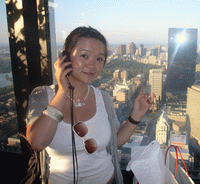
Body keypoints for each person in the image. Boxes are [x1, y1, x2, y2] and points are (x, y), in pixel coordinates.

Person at [26, 26, 152, 184]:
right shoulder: (42, 96)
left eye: (99, 58)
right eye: (84, 56)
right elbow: (37, 143)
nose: (92, 65)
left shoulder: (103, 98)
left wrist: (136, 116)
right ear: (64, 58)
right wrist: (62, 91)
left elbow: (115, 142)